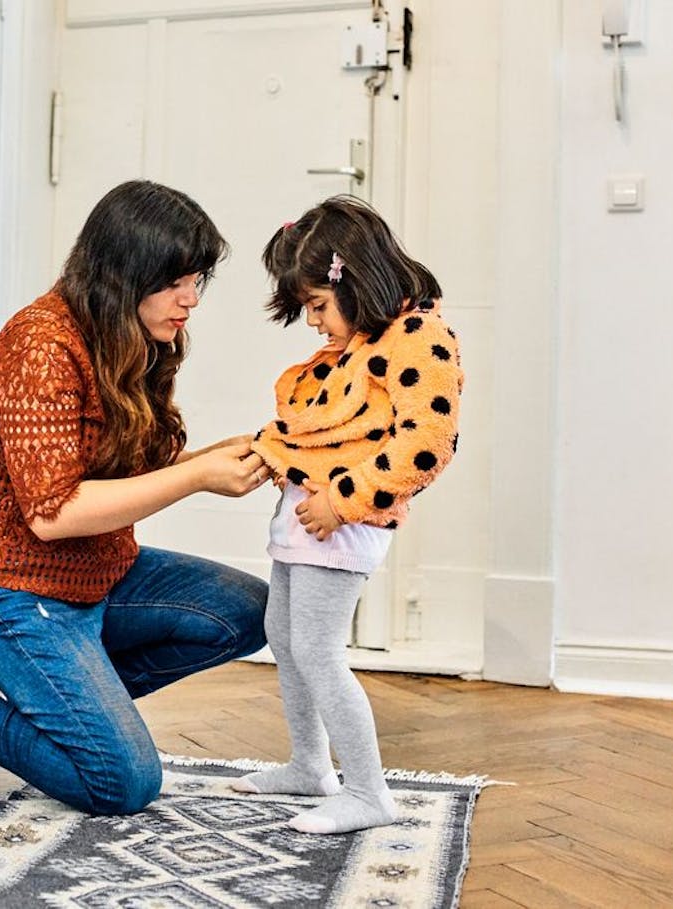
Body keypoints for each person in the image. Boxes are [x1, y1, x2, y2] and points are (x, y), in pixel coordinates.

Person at [0, 180, 274, 822]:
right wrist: (199, 477)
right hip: (13, 592)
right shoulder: (39, 344)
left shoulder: (135, 338)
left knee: (249, 610)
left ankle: (62, 708)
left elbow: (134, 473)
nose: (191, 299)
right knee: (123, 785)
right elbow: (53, 515)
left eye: (198, 279)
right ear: (126, 272)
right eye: (176, 281)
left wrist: (214, 456)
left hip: (99, 575)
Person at [230, 196, 463, 834]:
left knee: (318, 648)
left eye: (317, 307)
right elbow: (323, 422)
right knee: (285, 635)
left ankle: (369, 791)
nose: (313, 324)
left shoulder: (419, 337)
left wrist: (344, 499)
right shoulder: (363, 341)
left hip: (343, 520)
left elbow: (425, 444)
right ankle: (311, 766)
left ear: (354, 280)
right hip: (309, 516)